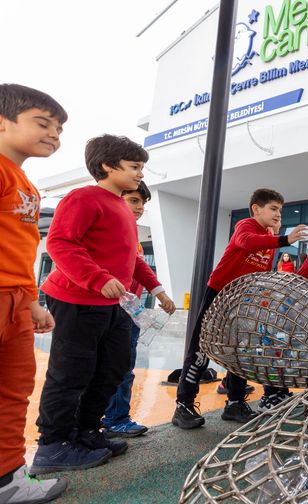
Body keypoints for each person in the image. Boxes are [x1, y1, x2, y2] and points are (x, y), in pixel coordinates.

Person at [32, 135, 168, 476]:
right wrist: (96, 277)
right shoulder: (83, 198)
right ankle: (53, 445)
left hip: (114, 305)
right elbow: (61, 242)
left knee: (113, 366)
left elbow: (134, 260)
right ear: (108, 166)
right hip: (77, 299)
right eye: (135, 167)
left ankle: (87, 432)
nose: (140, 173)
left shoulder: (123, 208)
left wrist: (158, 289)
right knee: (71, 373)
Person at [172, 189, 307, 429]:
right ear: (256, 209)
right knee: (201, 350)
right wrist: (285, 239)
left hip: (243, 302)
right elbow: (246, 243)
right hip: (219, 294)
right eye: (273, 209)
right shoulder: (246, 226)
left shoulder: (269, 237)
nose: (278, 215)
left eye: (280, 210)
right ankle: (183, 405)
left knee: (240, 352)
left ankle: (234, 403)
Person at [0, 83, 68, 502]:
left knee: (14, 389)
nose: (54, 135)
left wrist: (32, 302)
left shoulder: (25, 180)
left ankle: (7, 480)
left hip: (15, 302)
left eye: (59, 129)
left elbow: (19, 248)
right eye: (42, 123)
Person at [102, 181, 176, 438]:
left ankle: (115, 418)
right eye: (133, 200)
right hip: (103, 308)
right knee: (96, 368)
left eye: (142, 202)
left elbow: (137, 266)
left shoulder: (131, 233)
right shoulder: (106, 225)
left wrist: (159, 292)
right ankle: (89, 423)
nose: (140, 207)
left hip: (127, 310)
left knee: (123, 367)